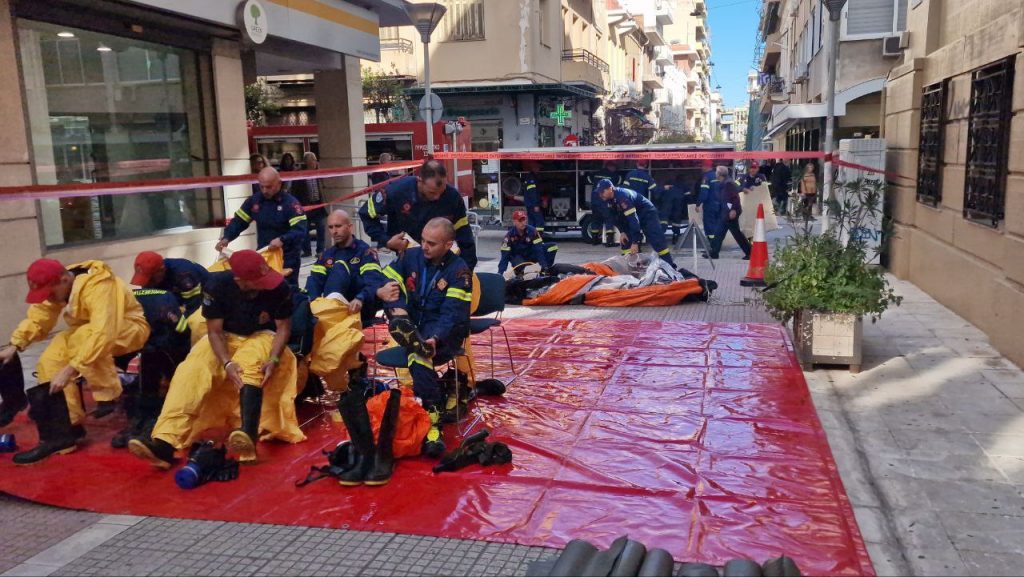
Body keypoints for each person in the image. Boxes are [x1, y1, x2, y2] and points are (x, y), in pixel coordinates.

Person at [128, 250, 304, 469]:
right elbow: (214, 331)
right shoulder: (217, 286)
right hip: (225, 336)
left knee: (250, 365)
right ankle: (164, 442)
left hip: (262, 335)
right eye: (258, 281)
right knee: (190, 372)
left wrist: (274, 358)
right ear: (240, 280)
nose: (265, 283)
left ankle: (247, 434)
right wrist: (226, 362)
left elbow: (283, 328)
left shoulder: (278, 287)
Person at [0, 259, 149, 464]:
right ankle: (65, 431)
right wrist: (15, 345)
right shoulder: (56, 283)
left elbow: (103, 333)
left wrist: (71, 369)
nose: (49, 298)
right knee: (51, 357)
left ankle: (108, 395)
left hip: (128, 329)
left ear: (63, 280)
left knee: (82, 339)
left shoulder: (99, 285)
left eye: (50, 293)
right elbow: (40, 316)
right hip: (87, 332)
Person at [376, 218, 473, 457]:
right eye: (422, 240)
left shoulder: (459, 271)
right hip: (412, 323)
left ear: (448, 244)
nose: (424, 246)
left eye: (431, 243)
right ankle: (433, 416)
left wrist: (436, 339)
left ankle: (433, 419)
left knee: (419, 355)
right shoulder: (410, 257)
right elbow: (386, 280)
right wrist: (396, 305)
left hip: (446, 334)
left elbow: (452, 314)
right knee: (412, 340)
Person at [110, 287, 191, 449]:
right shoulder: (115, 308)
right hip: (148, 338)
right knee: (146, 372)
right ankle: (142, 420)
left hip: (167, 341)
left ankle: (157, 422)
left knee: (162, 368)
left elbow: (183, 331)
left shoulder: (162, 303)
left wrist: (180, 360)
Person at [359, 159, 477, 269]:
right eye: (432, 192)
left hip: (440, 262)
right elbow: (366, 213)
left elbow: (464, 235)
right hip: (406, 259)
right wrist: (386, 240)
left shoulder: (452, 197)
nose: (437, 197)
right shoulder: (396, 191)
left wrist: (467, 269)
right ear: (419, 180)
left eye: (441, 192)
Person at [216, 166, 308, 286]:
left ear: (279, 184)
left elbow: (300, 230)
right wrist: (227, 237)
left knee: (287, 291)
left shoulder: (290, 204)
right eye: (261, 186)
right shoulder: (254, 201)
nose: (264, 190)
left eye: (269, 187)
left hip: (287, 257)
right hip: (263, 255)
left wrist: (282, 239)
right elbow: (239, 221)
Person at [305, 209, 387, 327]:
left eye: (338, 226)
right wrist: (312, 302)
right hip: (332, 311)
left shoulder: (365, 252)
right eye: (331, 227)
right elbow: (315, 281)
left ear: (350, 227)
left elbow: (373, 282)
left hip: (358, 309)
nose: (334, 231)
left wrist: (360, 298)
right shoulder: (327, 255)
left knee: (339, 268)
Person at [594, 179, 676, 267]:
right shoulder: (608, 200)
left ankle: (671, 267)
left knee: (657, 240)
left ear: (610, 189)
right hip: (633, 216)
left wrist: (635, 242)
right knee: (626, 242)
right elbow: (615, 218)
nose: (600, 194)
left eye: (602, 191)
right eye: (599, 192)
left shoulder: (622, 197)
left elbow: (633, 219)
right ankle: (632, 269)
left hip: (647, 214)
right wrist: (622, 231)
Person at [130, 251, 209, 317]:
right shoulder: (153, 276)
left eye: (150, 279)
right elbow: (148, 301)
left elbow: (193, 308)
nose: (146, 284)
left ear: (161, 270)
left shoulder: (184, 275)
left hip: (204, 298)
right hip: (178, 296)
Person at [699, 166, 752, 260]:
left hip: (730, 213)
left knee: (735, 234)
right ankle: (714, 253)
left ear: (719, 174)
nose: (715, 174)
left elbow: (735, 197)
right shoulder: (724, 183)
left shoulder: (728, 184)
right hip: (726, 212)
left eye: (716, 172)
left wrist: (733, 210)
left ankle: (750, 252)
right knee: (720, 232)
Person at [291, 152, 328, 258]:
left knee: (321, 228)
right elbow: (294, 191)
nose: (315, 162)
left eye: (315, 160)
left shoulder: (319, 173)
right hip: (305, 206)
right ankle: (307, 250)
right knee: (305, 229)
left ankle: (320, 250)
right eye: (313, 160)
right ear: (307, 161)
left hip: (318, 205)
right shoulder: (300, 174)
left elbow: (323, 188)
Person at [498, 210, 552, 276]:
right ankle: (519, 273)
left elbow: (539, 249)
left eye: (524, 220)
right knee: (517, 260)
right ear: (514, 222)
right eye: (520, 220)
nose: (523, 223)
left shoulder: (533, 231)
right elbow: (504, 257)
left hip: (530, 255)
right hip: (518, 259)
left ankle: (546, 271)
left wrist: (544, 266)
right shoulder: (509, 237)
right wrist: (500, 273)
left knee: (551, 247)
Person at [586, 160, 622, 246]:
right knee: (609, 218)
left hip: (594, 200)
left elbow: (588, 179)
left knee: (595, 219)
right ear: (611, 166)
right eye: (614, 167)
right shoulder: (613, 175)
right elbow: (618, 183)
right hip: (604, 200)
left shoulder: (597, 173)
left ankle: (594, 240)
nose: (615, 169)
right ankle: (609, 241)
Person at [658, 176, 689, 244]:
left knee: (664, 219)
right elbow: (688, 197)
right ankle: (675, 237)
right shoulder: (683, 185)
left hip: (667, 204)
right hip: (678, 204)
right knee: (676, 220)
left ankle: (661, 236)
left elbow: (658, 195)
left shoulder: (667, 185)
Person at [521, 161, 546, 236]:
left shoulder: (531, 177)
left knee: (532, 222)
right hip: (532, 204)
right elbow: (533, 193)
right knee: (540, 221)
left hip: (529, 204)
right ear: (533, 168)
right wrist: (536, 205)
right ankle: (538, 237)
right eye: (537, 167)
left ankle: (531, 237)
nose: (538, 169)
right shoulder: (531, 178)